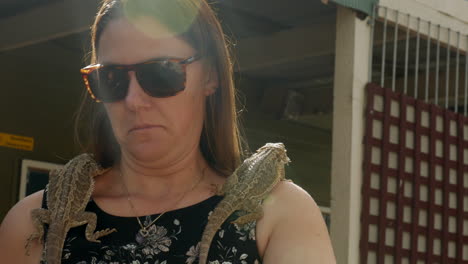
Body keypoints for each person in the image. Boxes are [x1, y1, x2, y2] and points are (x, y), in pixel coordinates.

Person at [0, 0, 336, 263]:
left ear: (211, 77)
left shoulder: (279, 214)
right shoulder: (28, 225)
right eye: (112, 78)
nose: (134, 100)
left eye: (161, 73)